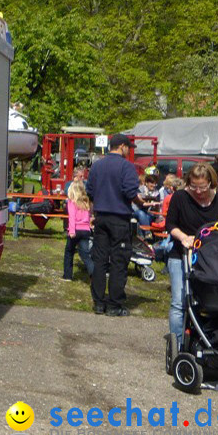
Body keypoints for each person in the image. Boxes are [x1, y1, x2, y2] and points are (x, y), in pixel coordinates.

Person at [164, 164, 218, 346]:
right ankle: (178, 345)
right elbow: (170, 224)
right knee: (180, 302)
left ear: (211, 183)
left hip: (216, 258)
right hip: (183, 253)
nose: (198, 191)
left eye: (203, 187)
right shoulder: (180, 197)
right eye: (194, 186)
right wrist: (183, 238)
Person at [85, 133, 142, 316]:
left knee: (100, 260)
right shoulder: (127, 167)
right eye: (128, 148)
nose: (128, 152)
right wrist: (143, 204)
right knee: (119, 261)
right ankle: (114, 304)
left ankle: (99, 303)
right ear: (123, 146)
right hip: (119, 218)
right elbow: (130, 191)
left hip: (101, 217)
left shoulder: (97, 165)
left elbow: (90, 191)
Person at [62, 180, 95, 281]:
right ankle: (94, 273)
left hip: (75, 229)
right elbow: (89, 216)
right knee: (85, 254)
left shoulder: (72, 202)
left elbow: (71, 217)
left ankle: (67, 275)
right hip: (85, 230)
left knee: (69, 252)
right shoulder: (86, 202)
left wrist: (71, 231)